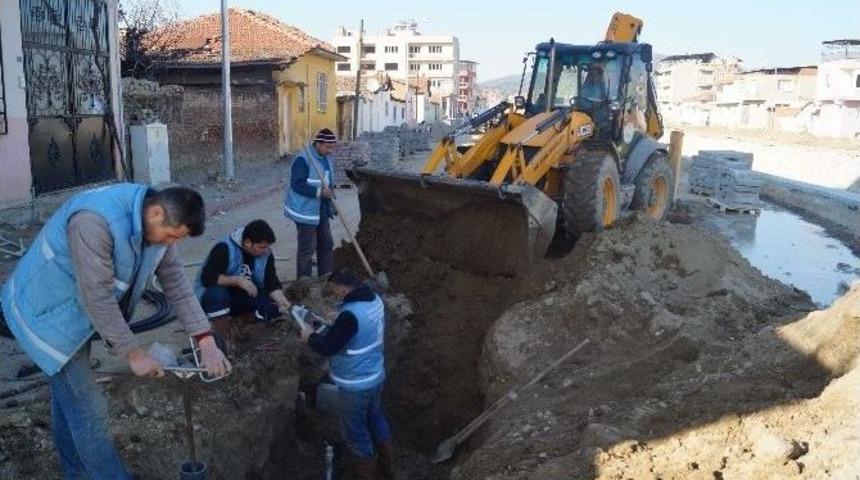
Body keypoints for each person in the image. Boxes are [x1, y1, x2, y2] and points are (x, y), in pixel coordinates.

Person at [0, 183, 231, 479]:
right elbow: (96, 297)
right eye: (173, 236)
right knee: (89, 409)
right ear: (157, 212)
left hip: (75, 313)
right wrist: (133, 353)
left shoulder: (158, 228)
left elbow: (176, 285)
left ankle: (75, 473)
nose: (172, 243)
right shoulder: (93, 222)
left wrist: (205, 339)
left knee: (69, 400)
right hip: (44, 315)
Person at [299, 267, 394, 480]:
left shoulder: (350, 316)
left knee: (355, 433)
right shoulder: (374, 299)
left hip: (355, 385)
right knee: (376, 417)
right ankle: (387, 468)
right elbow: (359, 326)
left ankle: (365, 474)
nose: (335, 294)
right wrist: (340, 317)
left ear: (343, 288)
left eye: (335, 290)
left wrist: (310, 337)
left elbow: (328, 347)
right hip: (375, 376)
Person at [195, 219, 291, 353]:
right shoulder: (224, 248)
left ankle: (239, 324)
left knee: (272, 308)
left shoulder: (266, 253)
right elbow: (207, 278)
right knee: (216, 295)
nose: (265, 251)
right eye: (261, 247)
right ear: (247, 243)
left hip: (241, 296)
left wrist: (281, 299)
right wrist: (238, 280)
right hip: (215, 298)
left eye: (267, 247)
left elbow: (271, 281)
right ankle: (223, 339)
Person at [284, 128, 337, 278]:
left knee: (326, 243)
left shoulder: (326, 158)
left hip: (320, 208)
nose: (330, 150)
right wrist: (320, 192)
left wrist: (331, 201)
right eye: (328, 147)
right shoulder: (303, 159)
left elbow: (328, 181)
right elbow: (297, 184)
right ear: (318, 144)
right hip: (304, 210)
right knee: (308, 247)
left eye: (332, 147)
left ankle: (325, 277)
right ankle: (304, 283)